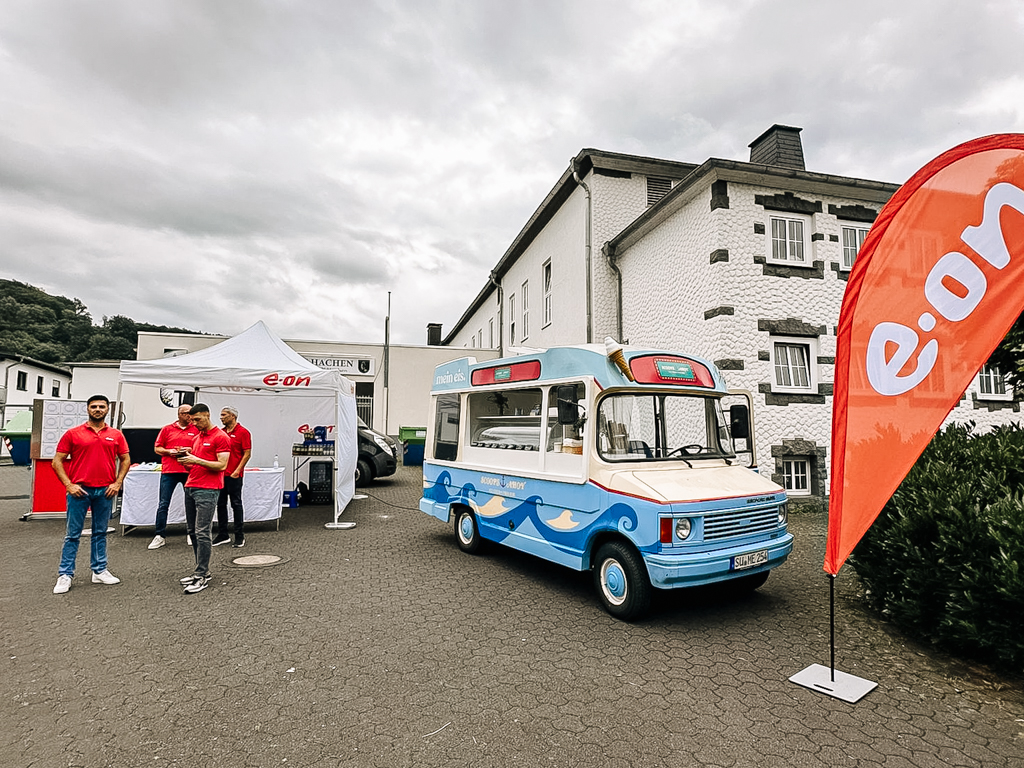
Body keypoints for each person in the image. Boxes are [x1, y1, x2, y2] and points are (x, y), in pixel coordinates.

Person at [51, 395, 131, 595]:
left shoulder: (116, 435)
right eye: (94, 406)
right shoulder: (73, 433)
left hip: (105, 490)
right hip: (80, 490)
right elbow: (57, 461)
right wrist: (69, 485)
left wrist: (117, 482)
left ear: (107, 410)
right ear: (87, 409)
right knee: (72, 535)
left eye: (101, 407)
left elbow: (126, 459)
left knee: (100, 532)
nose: (97, 409)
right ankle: (65, 574)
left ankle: (99, 570)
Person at [177, 403, 230, 594]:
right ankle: (200, 571)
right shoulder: (198, 437)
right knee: (192, 531)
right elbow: (195, 465)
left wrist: (195, 460)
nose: (195, 423)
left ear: (207, 415)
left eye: (198, 419)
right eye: (192, 420)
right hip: (192, 485)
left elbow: (222, 465)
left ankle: (202, 574)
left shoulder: (220, 437)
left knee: (202, 531)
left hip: (208, 489)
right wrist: (184, 460)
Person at [148, 404, 199, 550]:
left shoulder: (196, 429)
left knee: (190, 504)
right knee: (163, 504)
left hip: (188, 471)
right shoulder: (167, 429)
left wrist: (189, 450)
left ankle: (191, 532)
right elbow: (157, 448)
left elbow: (200, 447)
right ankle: (159, 535)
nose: (190, 416)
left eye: (191, 413)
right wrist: (170, 452)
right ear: (179, 414)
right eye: (187, 413)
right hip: (169, 471)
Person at [214, 406, 251, 548]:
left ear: (232, 416)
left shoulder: (243, 432)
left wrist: (237, 470)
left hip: (234, 474)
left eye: (224, 415)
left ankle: (239, 535)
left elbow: (247, 453)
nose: (221, 417)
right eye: (221, 415)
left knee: (236, 504)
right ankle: (223, 534)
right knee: (220, 504)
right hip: (221, 474)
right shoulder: (220, 433)